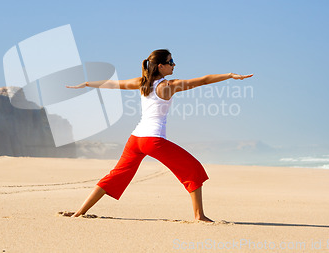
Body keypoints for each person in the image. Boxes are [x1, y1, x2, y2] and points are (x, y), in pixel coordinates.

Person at [66, 49, 253, 222]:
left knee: (116, 175)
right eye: (171, 62)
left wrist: (88, 83)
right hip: (152, 140)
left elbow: (114, 84)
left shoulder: (142, 83)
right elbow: (203, 80)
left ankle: (79, 212)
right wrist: (229, 75)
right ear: (161, 66)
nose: (174, 65)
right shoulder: (170, 85)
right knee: (193, 169)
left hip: (135, 139)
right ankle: (199, 216)